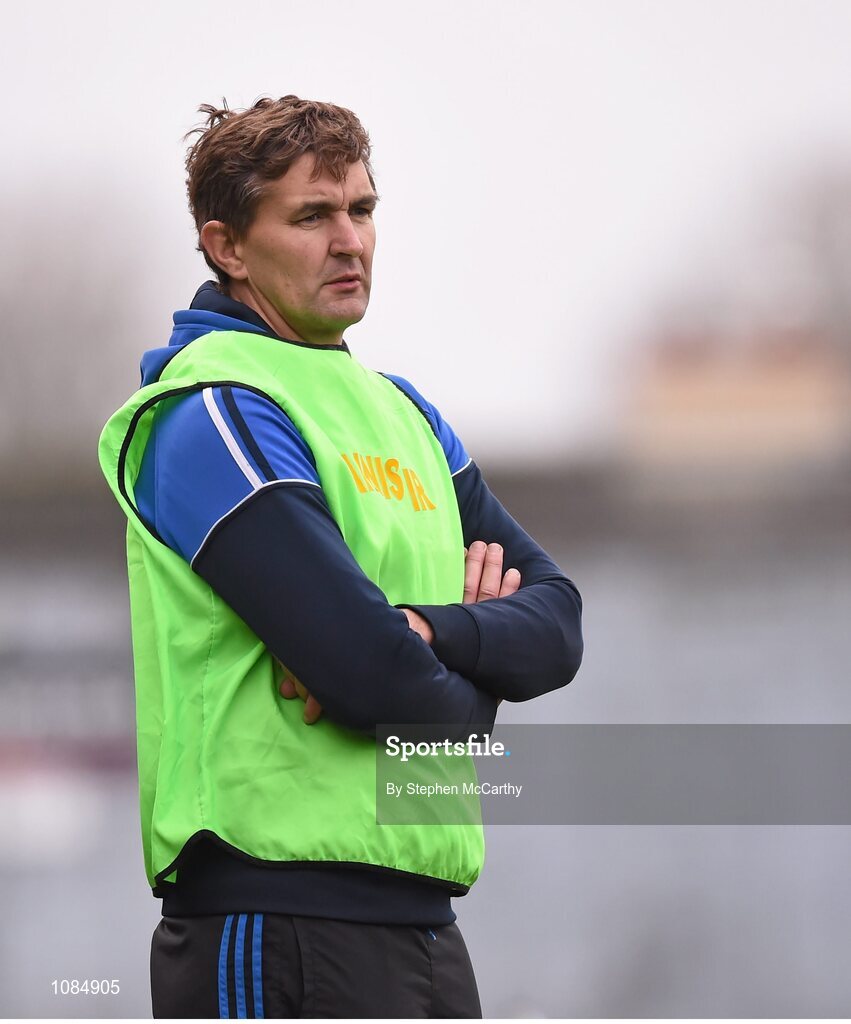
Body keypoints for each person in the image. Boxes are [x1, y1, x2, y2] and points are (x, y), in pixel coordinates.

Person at [98, 94, 583, 1019]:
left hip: (426, 924)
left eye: (361, 209)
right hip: (272, 922)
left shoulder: (404, 414)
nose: (349, 240)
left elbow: (558, 622)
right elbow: (369, 677)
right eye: (311, 216)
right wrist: (470, 668)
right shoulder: (213, 408)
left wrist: (423, 631)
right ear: (227, 246)